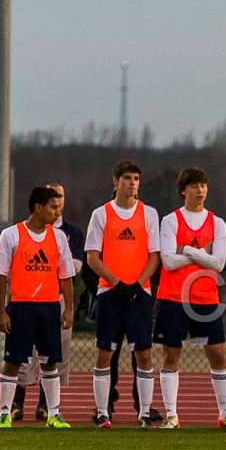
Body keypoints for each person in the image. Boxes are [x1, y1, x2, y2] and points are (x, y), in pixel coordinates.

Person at [154, 167, 226, 429]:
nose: (200, 190)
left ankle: (225, 414)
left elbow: (219, 263)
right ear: (183, 191)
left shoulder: (217, 222)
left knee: (218, 355)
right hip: (173, 296)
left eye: (203, 185)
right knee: (171, 356)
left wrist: (187, 250)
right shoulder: (171, 221)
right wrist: (202, 253)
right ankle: (171, 415)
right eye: (194, 186)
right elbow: (168, 261)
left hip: (205, 298)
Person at [0, 186, 76, 429]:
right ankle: (5, 413)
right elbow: (0, 275)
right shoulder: (11, 234)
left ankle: (54, 414)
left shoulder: (59, 237)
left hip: (49, 309)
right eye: (51, 205)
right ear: (38, 208)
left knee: (50, 363)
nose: (56, 210)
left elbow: (66, 276)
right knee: (14, 362)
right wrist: (2, 310)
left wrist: (68, 309)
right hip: (21, 308)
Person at [85, 161, 161, 428]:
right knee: (105, 352)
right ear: (115, 182)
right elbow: (93, 258)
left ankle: (145, 412)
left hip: (139, 294)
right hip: (110, 293)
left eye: (137, 178)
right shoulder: (101, 214)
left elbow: (154, 256)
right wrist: (117, 283)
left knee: (144, 354)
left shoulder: (149, 214)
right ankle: (103, 412)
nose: (132, 183)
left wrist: (138, 285)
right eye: (127, 178)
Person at [13, 182, 86, 421]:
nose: (57, 202)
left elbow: (72, 268)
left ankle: (47, 405)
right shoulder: (19, 232)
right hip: (27, 299)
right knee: (23, 356)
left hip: (56, 299)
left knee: (55, 354)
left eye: (61, 196)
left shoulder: (71, 233)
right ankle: (16, 402)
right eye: (52, 198)